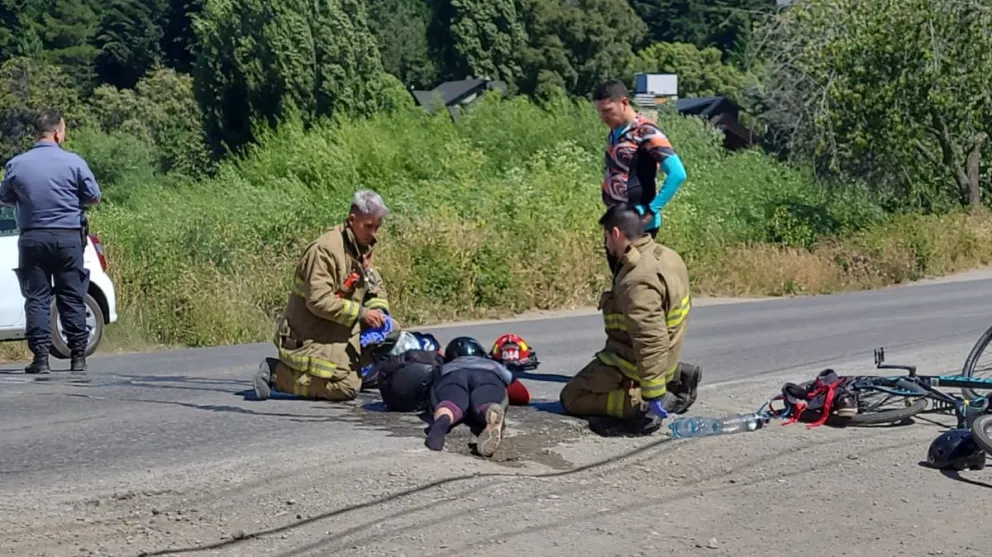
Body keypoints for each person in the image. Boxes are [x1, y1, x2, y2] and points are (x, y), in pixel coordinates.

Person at [559, 204, 700, 434]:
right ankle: (676, 375)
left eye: (606, 238)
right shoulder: (667, 256)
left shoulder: (637, 279)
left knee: (572, 396)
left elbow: (651, 340)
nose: (605, 245)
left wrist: (653, 398)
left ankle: (639, 402)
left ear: (615, 233)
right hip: (663, 357)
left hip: (632, 362)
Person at [252, 189, 392, 402]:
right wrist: (362, 313)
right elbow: (318, 301)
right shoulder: (324, 250)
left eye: (377, 227)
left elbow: (374, 287)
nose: (373, 233)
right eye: (368, 226)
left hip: (339, 325)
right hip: (311, 333)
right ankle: (277, 374)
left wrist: (380, 312)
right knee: (347, 388)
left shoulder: (361, 248)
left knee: (392, 333)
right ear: (352, 220)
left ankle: (352, 370)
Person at [0, 109, 101, 376]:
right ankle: (78, 356)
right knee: (72, 296)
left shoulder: (17, 164)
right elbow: (94, 196)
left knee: (37, 297)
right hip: (68, 238)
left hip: (33, 238)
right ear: (57, 133)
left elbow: (4, 197)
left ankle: (41, 359)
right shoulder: (74, 163)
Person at [593, 79, 686, 254]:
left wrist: (651, 211)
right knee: (620, 280)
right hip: (616, 222)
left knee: (639, 278)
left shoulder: (645, 131)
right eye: (600, 112)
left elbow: (677, 174)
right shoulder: (615, 131)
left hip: (637, 225)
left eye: (607, 111)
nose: (603, 118)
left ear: (624, 103)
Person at [425, 337, 516, 457]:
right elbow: (519, 391)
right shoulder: (493, 364)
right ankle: (488, 410)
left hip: (452, 376)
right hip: (487, 376)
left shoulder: (445, 366)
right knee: (485, 401)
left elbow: (430, 385)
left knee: (449, 403)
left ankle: (444, 417)